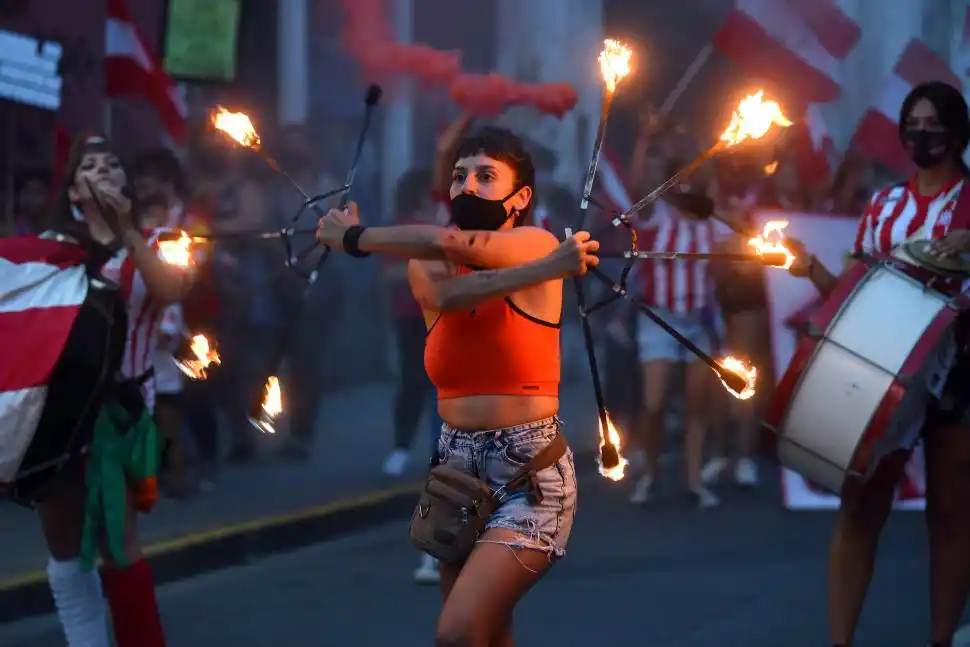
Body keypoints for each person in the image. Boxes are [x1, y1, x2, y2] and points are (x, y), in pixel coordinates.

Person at [317, 126, 597, 647]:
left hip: (530, 470)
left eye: (486, 176)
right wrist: (549, 269)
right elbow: (451, 286)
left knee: (458, 632)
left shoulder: (536, 242)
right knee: (489, 631)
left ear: (521, 199)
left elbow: (450, 242)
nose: (467, 186)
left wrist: (355, 239)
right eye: (460, 176)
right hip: (455, 467)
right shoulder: (431, 264)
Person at [787, 81, 970, 647]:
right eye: (912, 124)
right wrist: (812, 270)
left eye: (934, 124)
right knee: (861, 509)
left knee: (950, 512)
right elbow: (852, 290)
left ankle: (940, 640)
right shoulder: (884, 206)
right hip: (882, 374)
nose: (922, 135)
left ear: (958, 132)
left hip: (959, 368)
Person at [31, 135, 195, 647]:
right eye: (89, 166)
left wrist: (126, 230)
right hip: (55, 414)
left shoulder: (161, 238)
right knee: (62, 546)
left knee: (117, 545)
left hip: (119, 413)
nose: (101, 170)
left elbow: (170, 289)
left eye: (111, 163)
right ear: (75, 192)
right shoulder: (48, 248)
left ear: (125, 184)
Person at [626, 160, 721, 509]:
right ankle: (650, 474)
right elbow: (637, 190)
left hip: (699, 322)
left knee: (698, 406)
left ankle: (694, 481)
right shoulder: (657, 214)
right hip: (659, 320)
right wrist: (644, 147)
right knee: (654, 404)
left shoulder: (713, 222)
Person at [381, 167, 445, 476]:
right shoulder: (408, 230)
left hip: (441, 314)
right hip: (414, 315)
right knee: (415, 381)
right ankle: (402, 448)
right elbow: (391, 275)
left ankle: (434, 451)